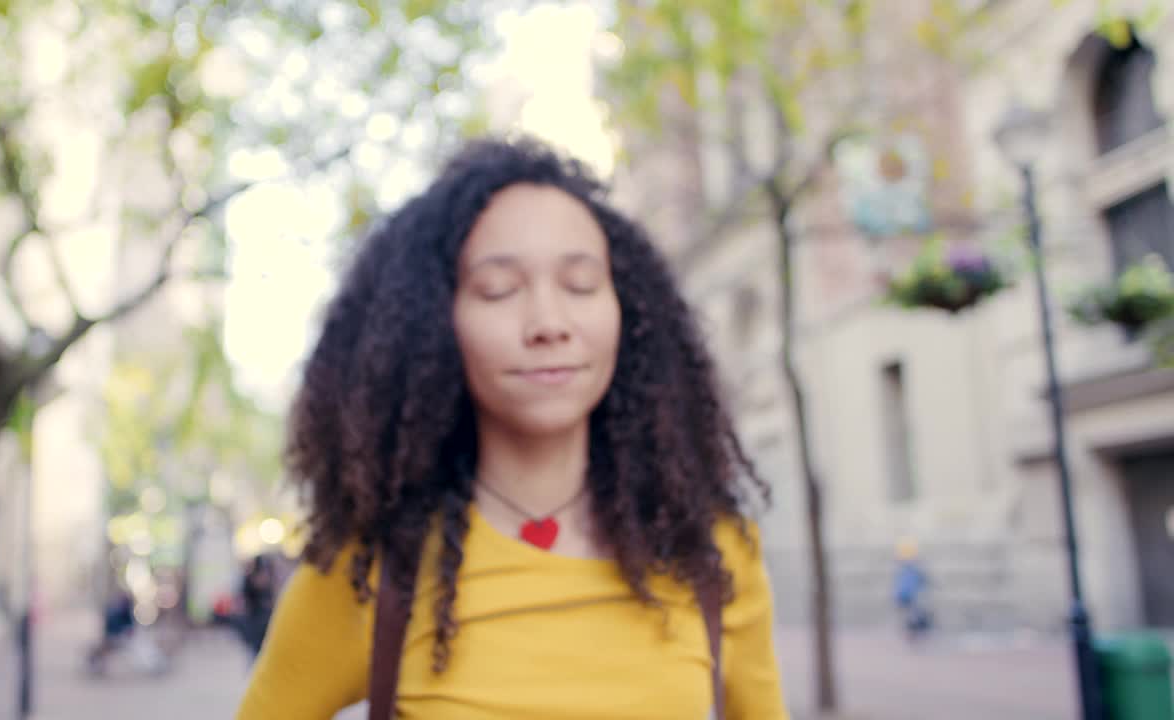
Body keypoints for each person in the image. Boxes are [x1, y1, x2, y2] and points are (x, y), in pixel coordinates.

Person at [237, 138, 787, 719]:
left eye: (581, 285)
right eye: (499, 289)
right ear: (437, 324)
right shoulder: (371, 572)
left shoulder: (711, 551)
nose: (549, 323)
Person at [892, 537, 932, 642]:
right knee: (911, 615)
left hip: (906, 595)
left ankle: (912, 634)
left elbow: (919, 580)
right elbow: (920, 580)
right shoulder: (910, 568)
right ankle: (912, 634)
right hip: (907, 595)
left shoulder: (907, 568)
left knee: (911, 615)